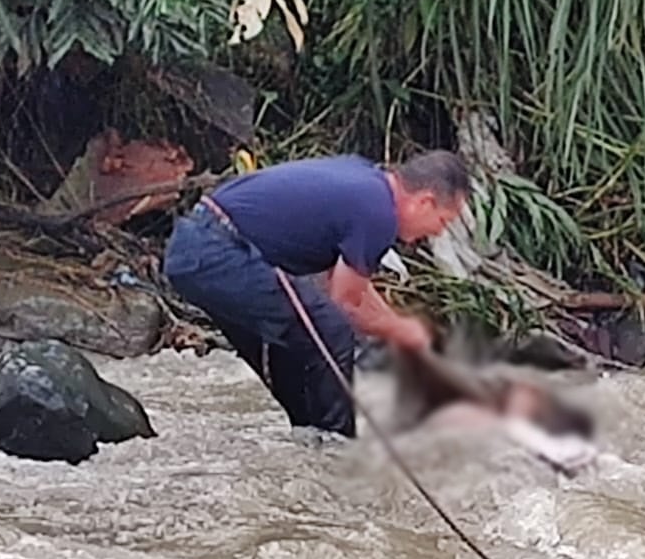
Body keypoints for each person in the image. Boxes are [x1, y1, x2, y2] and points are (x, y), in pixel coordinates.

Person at [163, 149, 471, 437]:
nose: (438, 232)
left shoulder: (370, 186)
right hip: (219, 251)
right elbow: (344, 303)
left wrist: (396, 326)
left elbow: (351, 287)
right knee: (331, 329)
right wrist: (401, 331)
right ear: (424, 202)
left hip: (198, 246)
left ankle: (309, 441)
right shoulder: (379, 214)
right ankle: (337, 448)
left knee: (298, 340)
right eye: (443, 221)